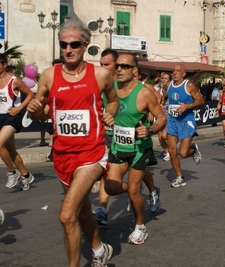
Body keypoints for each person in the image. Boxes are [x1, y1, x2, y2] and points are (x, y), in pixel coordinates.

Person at [27, 19, 119, 266]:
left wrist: (111, 112)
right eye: (63, 44)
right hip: (62, 154)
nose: (68, 49)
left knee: (67, 215)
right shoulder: (49, 75)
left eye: (74, 44)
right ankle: (99, 249)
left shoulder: (100, 75)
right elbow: (40, 113)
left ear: (85, 45)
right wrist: (35, 109)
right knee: (82, 210)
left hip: (92, 152)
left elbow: (113, 100)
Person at [104, 53, 166, 244]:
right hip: (117, 145)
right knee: (110, 187)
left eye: (125, 66)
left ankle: (140, 227)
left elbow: (162, 118)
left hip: (140, 147)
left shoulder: (144, 93)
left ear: (135, 70)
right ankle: (141, 191)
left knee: (133, 191)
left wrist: (149, 130)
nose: (120, 69)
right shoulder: (110, 89)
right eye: (118, 66)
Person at [91, 48, 119, 229]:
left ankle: (146, 189)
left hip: (129, 136)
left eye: (107, 64)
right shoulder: (98, 83)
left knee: (136, 177)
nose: (102, 68)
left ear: (116, 66)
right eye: (101, 64)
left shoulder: (126, 84)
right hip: (106, 134)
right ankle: (102, 209)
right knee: (105, 171)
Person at [0, 53, 35, 191]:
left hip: (11, 117)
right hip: (0, 117)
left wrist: (19, 108)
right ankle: (26, 175)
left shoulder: (14, 81)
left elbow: (30, 94)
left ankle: (12, 172)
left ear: (4, 64)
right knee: (10, 150)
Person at [166, 64, 204, 187]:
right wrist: (161, 103)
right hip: (172, 121)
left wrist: (188, 106)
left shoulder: (189, 85)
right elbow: (165, 97)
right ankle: (179, 177)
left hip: (186, 121)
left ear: (183, 74)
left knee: (183, 153)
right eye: (173, 70)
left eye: (178, 71)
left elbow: (200, 100)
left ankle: (193, 150)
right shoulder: (169, 85)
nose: (175, 73)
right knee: (172, 151)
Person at [159, 72, 172, 161]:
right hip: (163, 114)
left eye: (166, 78)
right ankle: (168, 153)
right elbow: (161, 101)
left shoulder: (172, 89)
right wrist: (161, 105)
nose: (163, 80)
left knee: (164, 136)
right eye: (162, 78)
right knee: (160, 137)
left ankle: (172, 149)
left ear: (170, 80)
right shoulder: (161, 89)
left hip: (171, 116)